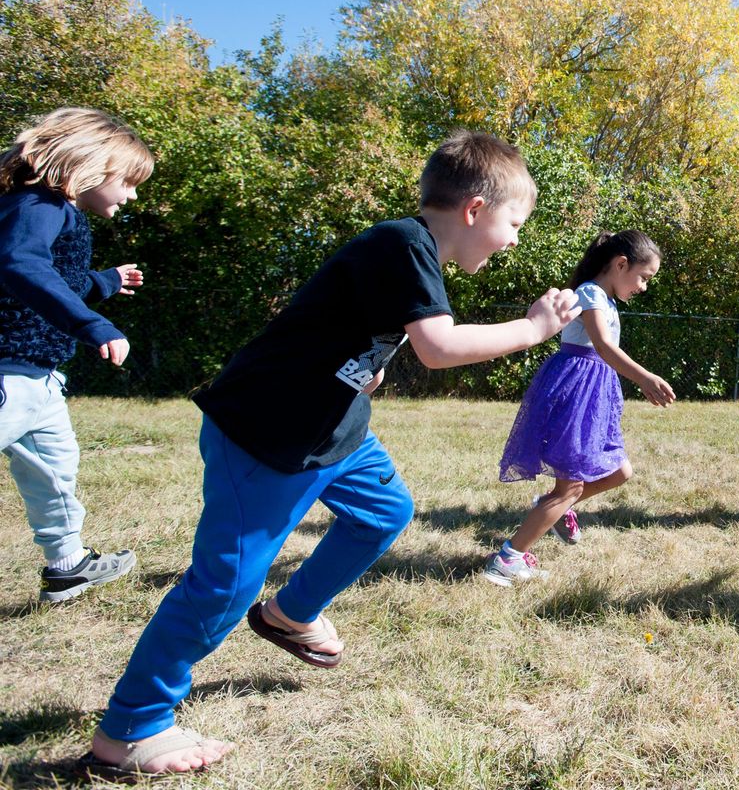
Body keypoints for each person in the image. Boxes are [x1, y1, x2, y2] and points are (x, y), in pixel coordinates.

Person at [80, 131, 581, 779]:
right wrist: (537, 328)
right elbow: (438, 347)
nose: (515, 239)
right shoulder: (403, 244)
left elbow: (344, 326)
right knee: (223, 588)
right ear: (475, 209)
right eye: (514, 223)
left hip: (333, 431)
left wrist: (359, 371)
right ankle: (131, 728)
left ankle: (291, 614)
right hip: (267, 435)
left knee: (383, 513)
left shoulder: (408, 253)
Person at [0, 107, 153, 603]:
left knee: (56, 470)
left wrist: (106, 282)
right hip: (8, 371)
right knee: (53, 471)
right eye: (128, 182)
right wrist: (93, 323)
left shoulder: (53, 213)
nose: (130, 196)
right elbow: (20, 265)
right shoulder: (36, 205)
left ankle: (67, 566)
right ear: (91, 164)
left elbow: (54, 283)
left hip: (38, 378)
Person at [487, 230, 674, 586]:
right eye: (644, 277)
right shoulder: (589, 293)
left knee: (619, 472)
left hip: (594, 395)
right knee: (569, 487)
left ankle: (553, 508)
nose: (644, 286)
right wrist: (645, 377)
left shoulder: (606, 297)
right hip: (576, 395)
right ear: (621, 264)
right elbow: (602, 346)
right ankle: (507, 559)